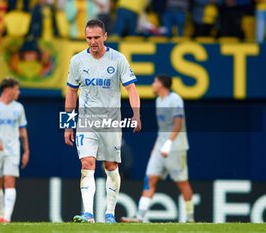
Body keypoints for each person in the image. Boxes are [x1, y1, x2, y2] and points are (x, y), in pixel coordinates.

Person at [64, 19, 141, 223]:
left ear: (105, 37)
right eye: (89, 38)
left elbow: (131, 88)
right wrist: (68, 124)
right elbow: (71, 92)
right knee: (87, 163)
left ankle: (109, 214)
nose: (93, 41)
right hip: (86, 122)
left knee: (111, 166)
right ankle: (88, 213)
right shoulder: (77, 61)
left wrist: (136, 114)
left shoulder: (118, 59)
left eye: (97, 37)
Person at [121, 74, 194, 223]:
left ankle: (190, 217)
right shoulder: (159, 101)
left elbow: (178, 124)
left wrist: (168, 144)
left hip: (176, 148)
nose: (153, 84)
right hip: (160, 149)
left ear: (162, 84)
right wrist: (157, 147)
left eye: (155, 82)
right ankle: (139, 216)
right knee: (150, 179)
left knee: (182, 182)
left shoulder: (175, 99)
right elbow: (162, 129)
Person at [0, 77, 30, 223]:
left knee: (9, 180)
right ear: (8, 90)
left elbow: (23, 131)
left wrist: (26, 150)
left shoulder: (19, 108)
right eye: (16, 89)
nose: (18, 92)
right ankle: (1, 212)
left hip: (13, 150)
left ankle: (7, 217)